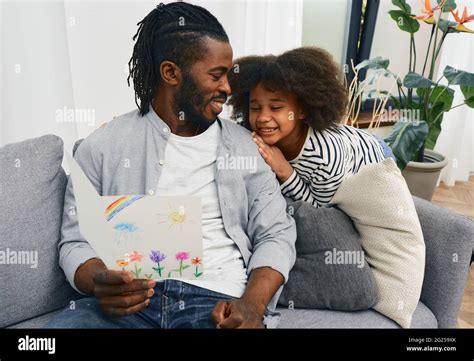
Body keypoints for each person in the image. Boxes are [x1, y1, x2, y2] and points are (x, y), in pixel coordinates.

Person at [46, 2, 296, 329]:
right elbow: (76, 242)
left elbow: (276, 234)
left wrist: (252, 306)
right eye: (216, 75)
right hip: (129, 306)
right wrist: (99, 282)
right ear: (171, 73)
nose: (227, 88)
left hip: (215, 303)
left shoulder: (246, 148)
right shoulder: (101, 147)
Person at [228, 47, 394, 208]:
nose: (263, 118)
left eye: (276, 108)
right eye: (255, 108)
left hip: (376, 159)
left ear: (302, 110)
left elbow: (322, 211)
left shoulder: (325, 158)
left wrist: (284, 170)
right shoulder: (258, 135)